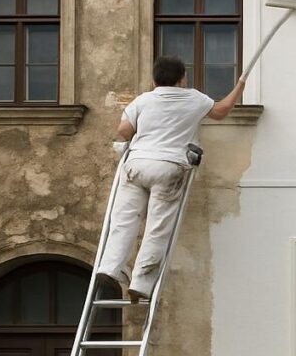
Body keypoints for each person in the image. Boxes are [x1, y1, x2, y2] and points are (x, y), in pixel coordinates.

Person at [96, 55, 245, 302]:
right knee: (157, 227)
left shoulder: (144, 100)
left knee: (123, 221)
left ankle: (109, 267)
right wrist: (239, 86)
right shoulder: (195, 98)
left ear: (155, 79)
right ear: (182, 78)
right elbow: (221, 112)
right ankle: (142, 283)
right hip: (169, 166)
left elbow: (123, 130)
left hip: (136, 164)